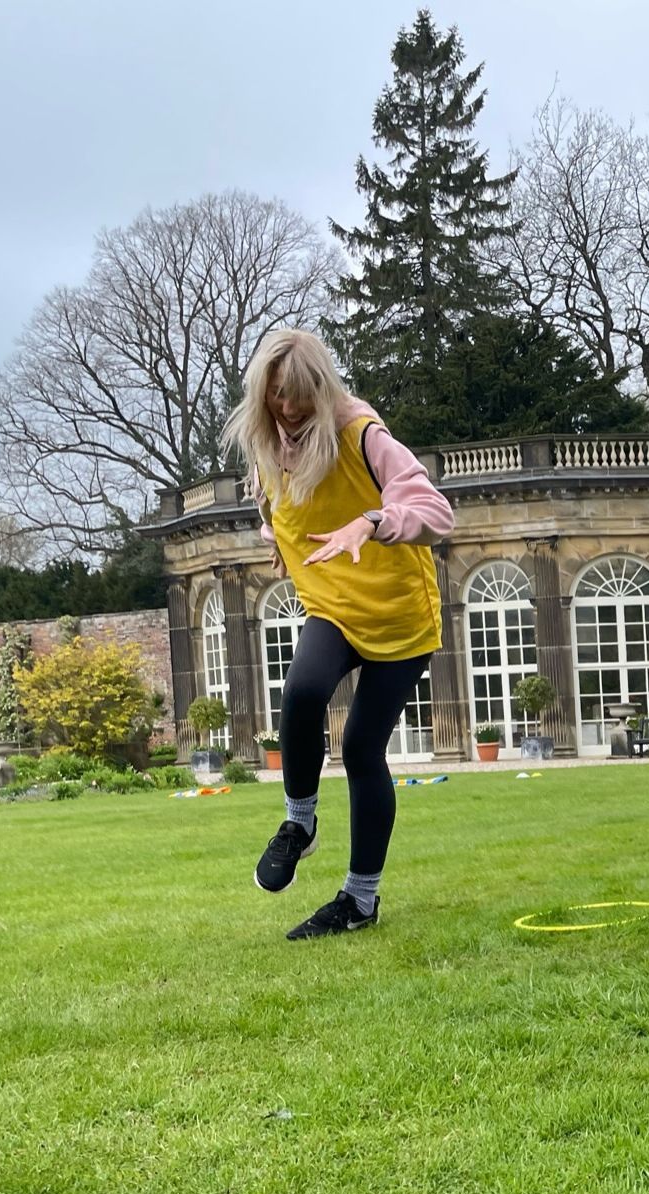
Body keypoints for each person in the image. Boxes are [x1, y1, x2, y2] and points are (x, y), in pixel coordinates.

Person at [219, 328, 454, 939]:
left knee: (359, 751)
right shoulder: (266, 444)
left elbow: (436, 513)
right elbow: (276, 509)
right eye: (277, 399)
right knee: (302, 692)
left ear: (321, 390)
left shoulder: (362, 434)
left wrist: (373, 523)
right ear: (262, 393)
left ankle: (360, 899)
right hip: (334, 609)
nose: (289, 413)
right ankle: (299, 823)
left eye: (299, 399)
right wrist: (279, 545)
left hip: (401, 617)